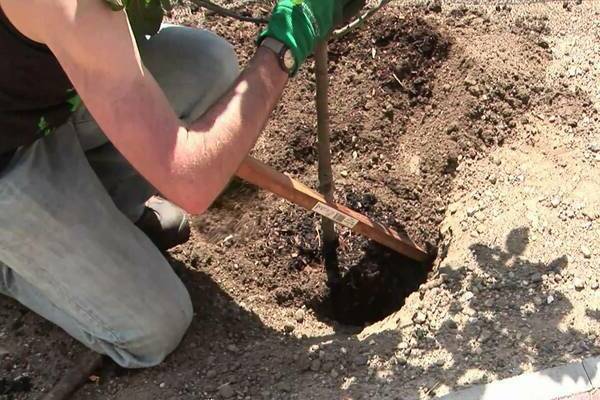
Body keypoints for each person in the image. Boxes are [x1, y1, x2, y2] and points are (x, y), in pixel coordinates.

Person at [0, 0, 364, 368]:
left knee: (206, 64)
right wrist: (284, 47)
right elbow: (192, 184)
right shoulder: (68, 6)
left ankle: (99, 218)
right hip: (8, 157)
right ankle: (16, 261)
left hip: (41, 96)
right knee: (154, 324)